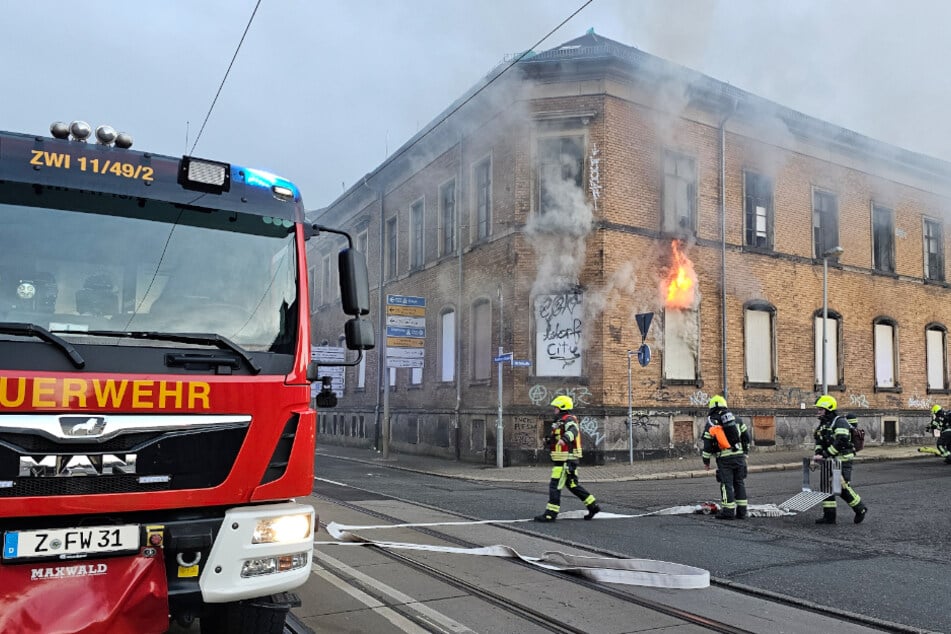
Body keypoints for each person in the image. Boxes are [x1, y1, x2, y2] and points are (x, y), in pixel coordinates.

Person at [534, 395, 601, 522]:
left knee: (555, 485)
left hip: (565, 460)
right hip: (565, 459)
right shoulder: (559, 421)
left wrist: (564, 439)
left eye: (556, 407)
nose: (554, 409)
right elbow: (558, 437)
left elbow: (573, 430)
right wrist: (549, 441)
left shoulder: (569, 419)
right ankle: (593, 506)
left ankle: (550, 513)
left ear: (562, 407)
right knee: (572, 485)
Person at [813, 395, 868, 524]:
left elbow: (841, 441)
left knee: (842, 487)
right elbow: (819, 440)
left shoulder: (840, 422)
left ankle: (860, 508)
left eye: (820, 409)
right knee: (826, 487)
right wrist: (818, 453)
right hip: (829, 461)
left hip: (842, 460)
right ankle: (829, 516)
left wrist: (825, 454)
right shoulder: (824, 424)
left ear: (828, 409)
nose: (818, 411)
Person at [701, 395, 750, 519]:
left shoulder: (711, 422)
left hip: (724, 459)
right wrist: (745, 452)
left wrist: (706, 461)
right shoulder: (737, 419)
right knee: (739, 482)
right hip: (739, 457)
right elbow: (746, 438)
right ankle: (742, 511)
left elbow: (707, 445)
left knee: (726, 484)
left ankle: (728, 512)